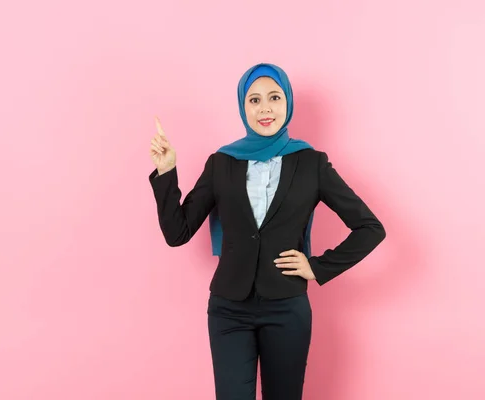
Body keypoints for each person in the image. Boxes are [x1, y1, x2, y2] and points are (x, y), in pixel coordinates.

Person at [147, 62, 386, 400]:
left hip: (287, 308)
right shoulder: (221, 162)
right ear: (243, 107)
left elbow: (370, 228)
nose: (265, 108)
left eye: (274, 97)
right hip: (228, 308)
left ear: (287, 102)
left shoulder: (311, 163)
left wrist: (317, 267)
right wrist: (167, 171)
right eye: (254, 100)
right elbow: (178, 232)